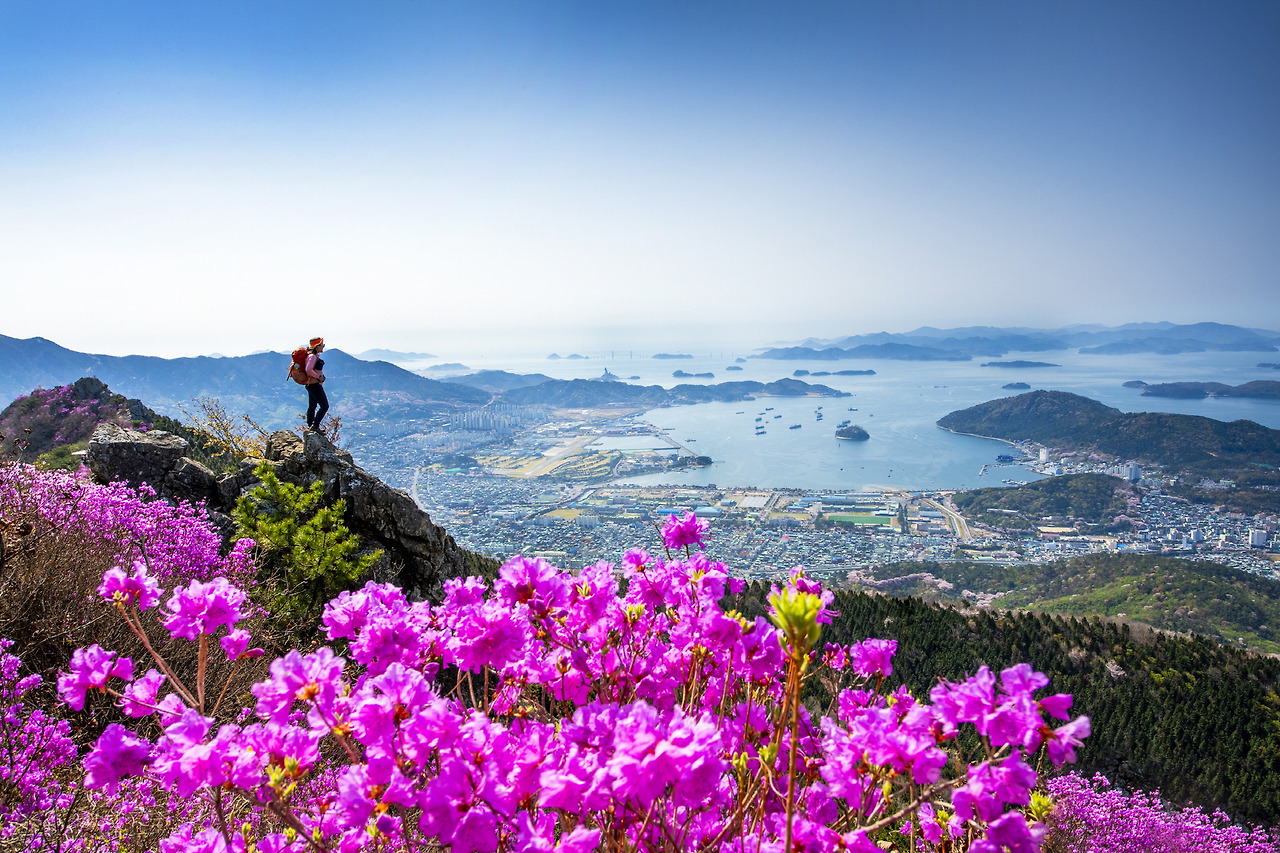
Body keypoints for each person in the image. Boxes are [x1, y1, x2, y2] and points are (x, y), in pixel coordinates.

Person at [304, 337, 329, 432]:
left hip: (310, 384)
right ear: (317, 346)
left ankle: (311, 425)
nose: (323, 346)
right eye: (322, 345)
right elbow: (308, 369)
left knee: (312, 406)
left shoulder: (311, 355)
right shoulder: (312, 356)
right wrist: (318, 377)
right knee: (325, 406)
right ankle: (315, 426)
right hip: (314, 385)